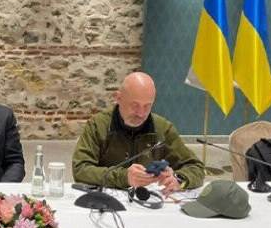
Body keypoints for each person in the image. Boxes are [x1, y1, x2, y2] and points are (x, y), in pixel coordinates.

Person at [72, 72, 204, 194]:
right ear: (119, 98)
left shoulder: (163, 129)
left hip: (149, 202)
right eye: (135, 105)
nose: (141, 113)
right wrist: (124, 177)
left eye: (147, 106)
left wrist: (179, 180)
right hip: (107, 201)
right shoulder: (98, 126)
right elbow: (80, 169)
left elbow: (195, 167)